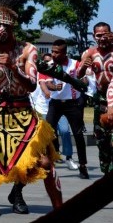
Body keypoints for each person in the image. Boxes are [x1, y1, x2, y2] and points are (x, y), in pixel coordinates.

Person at [0, 0, 62, 222]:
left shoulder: (28, 50)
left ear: (9, 26)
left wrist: (13, 67)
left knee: (45, 163)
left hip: (24, 115)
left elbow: (31, 84)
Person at [44, 39, 89, 179]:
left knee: (78, 134)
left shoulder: (74, 64)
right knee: (47, 132)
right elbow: (48, 83)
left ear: (64, 53)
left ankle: (83, 165)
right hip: (55, 103)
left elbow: (85, 80)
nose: (53, 54)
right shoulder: (49, 65)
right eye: (52, 51)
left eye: (56, 52)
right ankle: (48, 164)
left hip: (72, 104)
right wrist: (53, 87)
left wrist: (81, 81)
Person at [78, 22, 113, 174]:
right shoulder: (90, 52)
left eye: (105, 34)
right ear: (94, 37)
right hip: (99, 99)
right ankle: (106, 172)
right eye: (98, 35)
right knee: (101, 139)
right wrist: (84, 67)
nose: (102, 38)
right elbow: (78, 75)